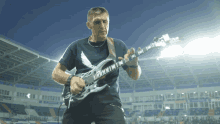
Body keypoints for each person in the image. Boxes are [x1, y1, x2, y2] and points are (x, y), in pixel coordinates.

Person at [52, 7, 142, 124]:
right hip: (79, 104)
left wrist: (134, 65)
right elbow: (56, 73)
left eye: (105, 21)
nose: (103, 26)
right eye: (97, 22)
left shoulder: (118, 46)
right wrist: (71, 79)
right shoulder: (77, 46)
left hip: (109, 104)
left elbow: (135, 76)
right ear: (89, 25)